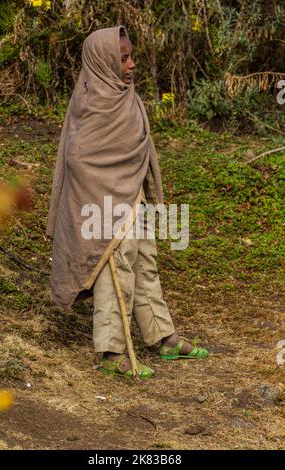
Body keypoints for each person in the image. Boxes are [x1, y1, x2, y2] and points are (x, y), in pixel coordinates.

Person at [46, 25, 209, 379]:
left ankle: (164, 337)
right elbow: (78, 157)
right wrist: (107, 190)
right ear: (103, 61)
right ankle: (111, 352)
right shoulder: (92, 102)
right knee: (116, 268)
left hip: (132, 193)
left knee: (145, 261)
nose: (132, 64)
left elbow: (138, 145)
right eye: (123, 59)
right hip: (103, 203)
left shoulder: (125, 93)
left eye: (131, 55)